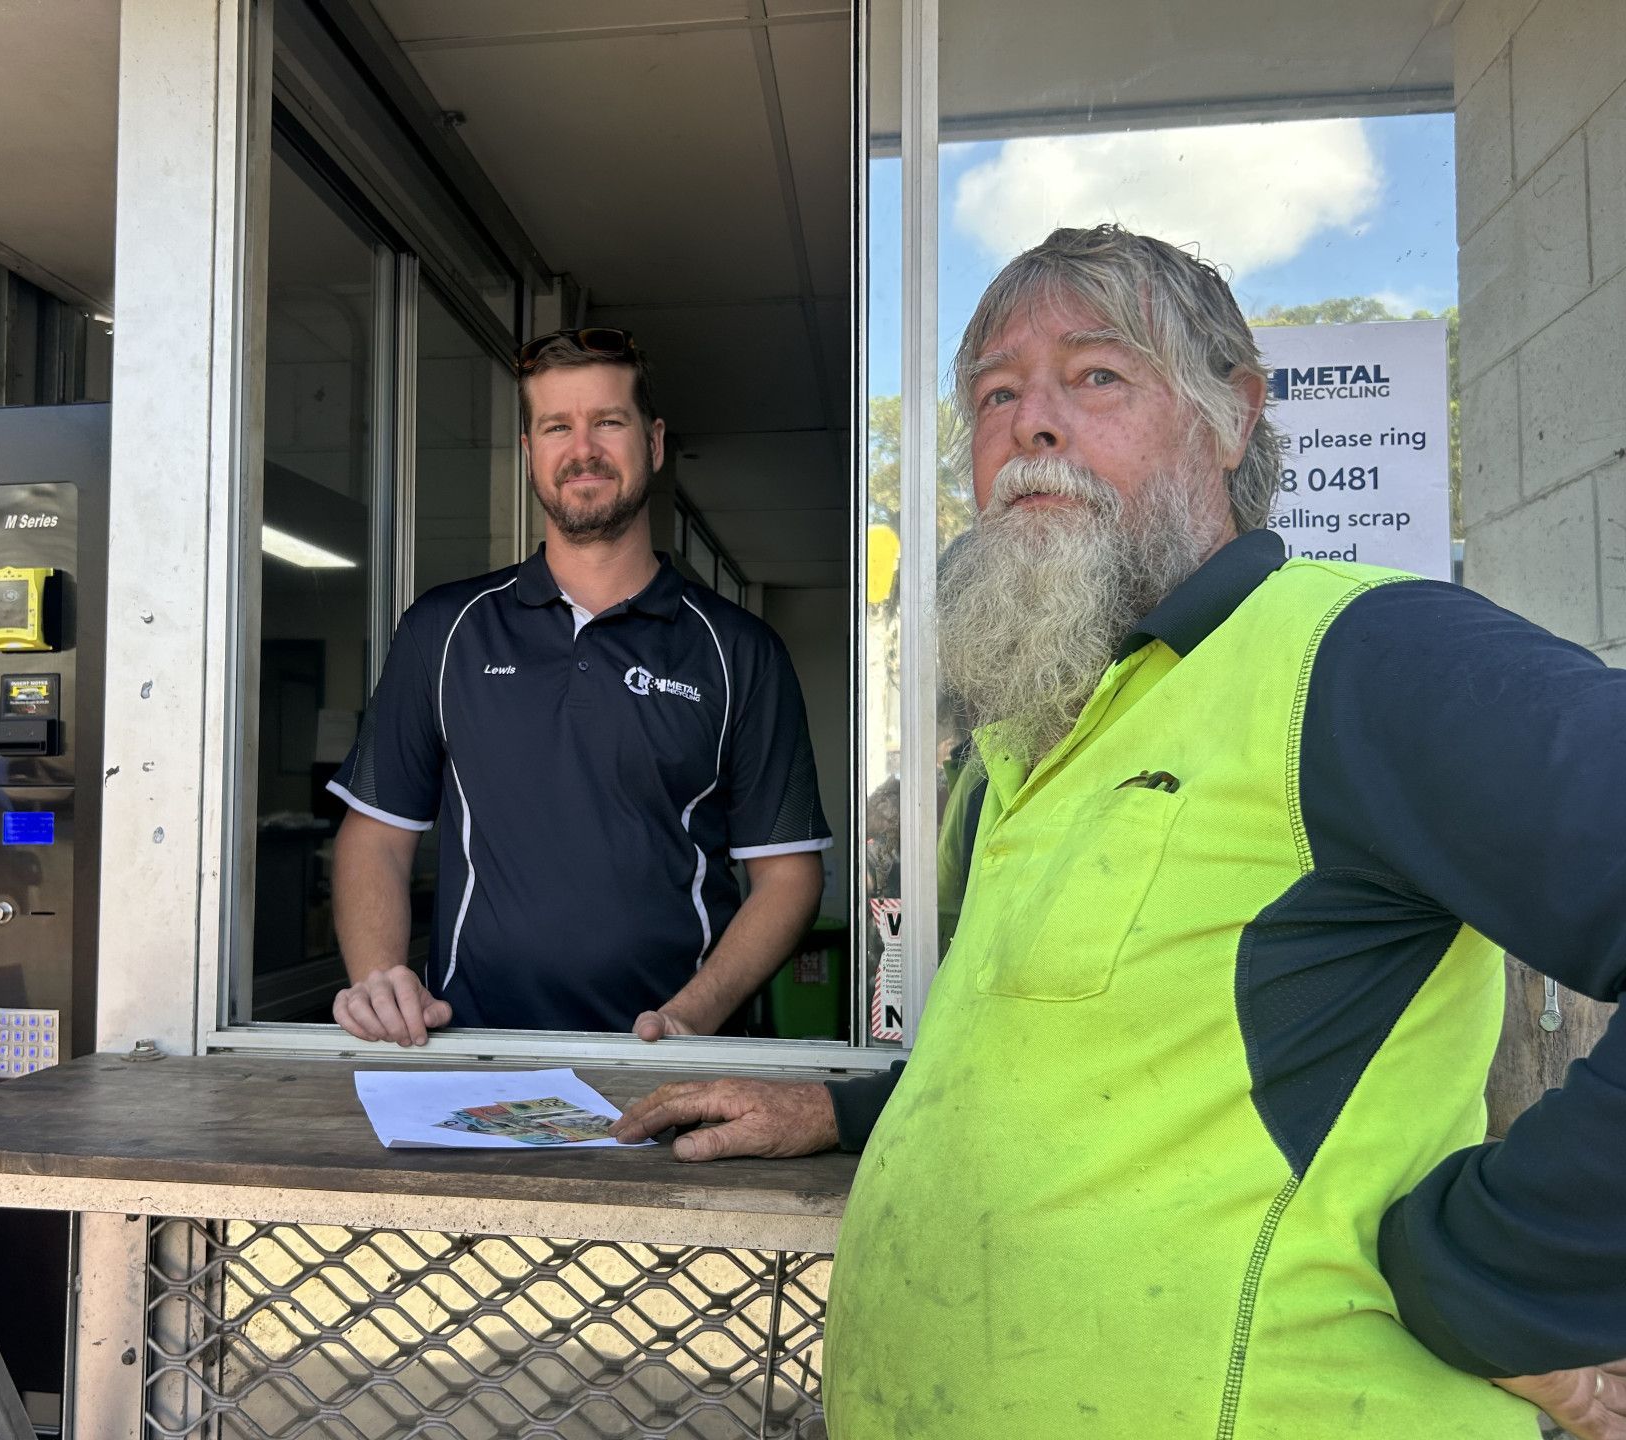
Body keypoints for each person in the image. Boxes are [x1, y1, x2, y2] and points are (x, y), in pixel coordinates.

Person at [613, 227, 1626, 1438]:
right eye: (995, 393)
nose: (1029, 424)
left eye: (1097, 376)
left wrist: (1500, 1279)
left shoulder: (1360, 657)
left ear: (1235, 417)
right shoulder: (1018, 742)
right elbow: (1081, 1061)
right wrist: (846, 1113)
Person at [328, 328, 831, 1043]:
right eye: (557, 426)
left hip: (666, 1064)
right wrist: (379, 978)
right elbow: (376, 836)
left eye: (608, 422)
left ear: (653, 444)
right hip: (470, 1051)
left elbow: (787, 878)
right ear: (531, 453)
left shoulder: (738, 651)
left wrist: (691, 1019)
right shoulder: (445, 632)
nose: (583, 448)